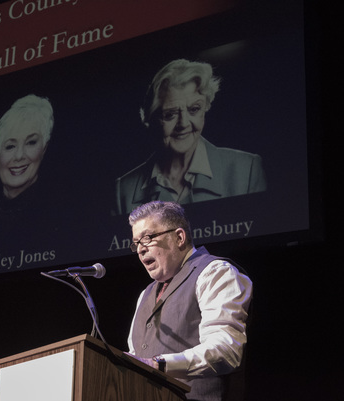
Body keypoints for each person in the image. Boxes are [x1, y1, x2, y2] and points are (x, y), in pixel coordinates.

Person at [125, 201, 253, 401]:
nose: (141, 249)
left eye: (148, 238)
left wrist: (161, 364)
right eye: (136, 243)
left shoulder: (215, 272)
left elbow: (225, 350)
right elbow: (135, 358)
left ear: (179, 237)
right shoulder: (145, 295)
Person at [115, 59, 267, 215]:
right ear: (150, 119)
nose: (183, 124)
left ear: (205, 108)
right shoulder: (124, 189)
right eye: (170, 114)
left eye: (194, 109)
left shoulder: (246, 170)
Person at [0, 94, 56, 245]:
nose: (19, 156)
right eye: (10, 146)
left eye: (30, 143)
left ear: (44, 149)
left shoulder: (54, 215)